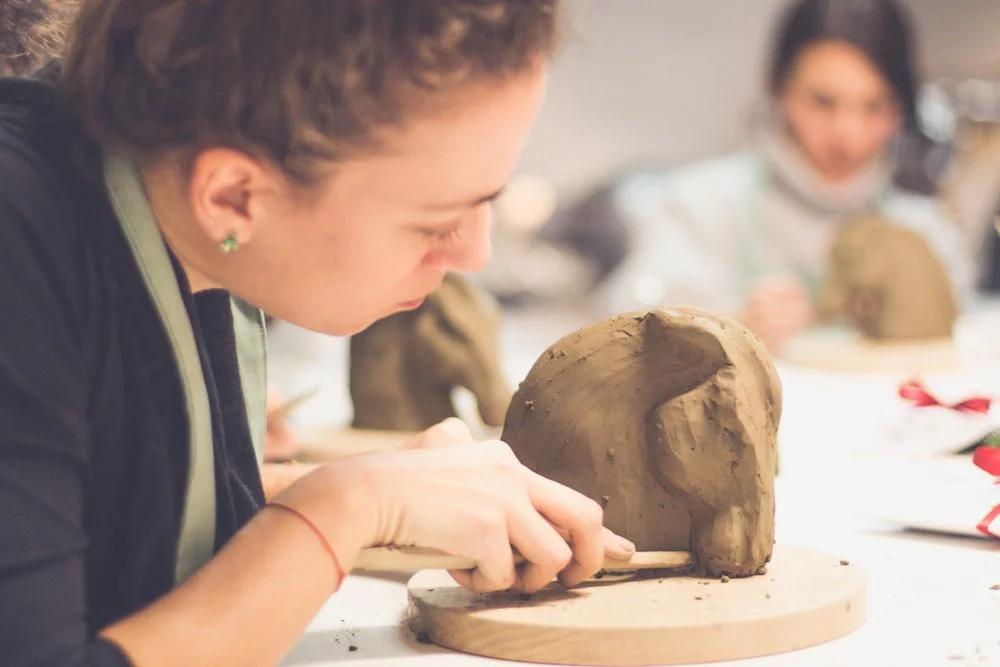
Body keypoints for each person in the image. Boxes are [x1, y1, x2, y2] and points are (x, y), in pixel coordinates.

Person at [0, 2, 637, 665]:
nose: (474, 255)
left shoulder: (179, 215)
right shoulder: (19, 245)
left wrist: (380, 488)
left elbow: (94, 503)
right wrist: (354, 503)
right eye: (435, 221)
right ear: (232, 198)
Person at [599, 0, 976, 351]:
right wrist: (723, 327)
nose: (847, 132)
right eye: (823, 102)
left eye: (874, 106)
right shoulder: (702, 204)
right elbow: (624, 327)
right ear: (778, 86)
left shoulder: (926, 231)